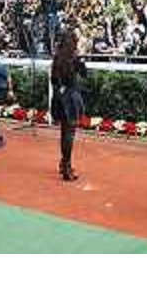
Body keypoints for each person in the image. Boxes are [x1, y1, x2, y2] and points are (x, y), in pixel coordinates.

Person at [50, 29, 87, 181]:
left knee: (64, 133)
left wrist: (59, 91)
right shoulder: (75, 58)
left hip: (60, 97)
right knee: (69, 134)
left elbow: (53, 80)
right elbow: (84, 74)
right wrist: (81, 59)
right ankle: (66, 166)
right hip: (71, 98)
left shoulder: (57, 57)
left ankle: (64, 163)